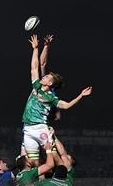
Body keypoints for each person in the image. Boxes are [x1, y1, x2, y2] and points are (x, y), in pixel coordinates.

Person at [21, 34, 92, 165]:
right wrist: (36, 48)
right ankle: (38, 182)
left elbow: (65, 106)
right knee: (30, 162)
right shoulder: (37, 85)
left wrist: (81, 95)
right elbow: (36, 67)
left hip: (41, 127)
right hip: (27, 127)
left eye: (47, 77)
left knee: (54, 156)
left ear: (49, 83)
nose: (45, 76)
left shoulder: (51, 97)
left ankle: (64, 175)